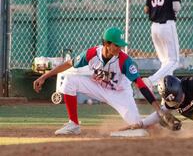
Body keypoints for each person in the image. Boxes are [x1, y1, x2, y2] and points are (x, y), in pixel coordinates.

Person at [33, 27, 171, 135]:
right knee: (70, 80)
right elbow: (69, 64)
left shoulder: (124, 60)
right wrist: (44, 76)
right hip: (97, 87)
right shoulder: (91, 54)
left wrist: (158, 109)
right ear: (106, 43)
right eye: (116, 45)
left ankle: (164, 126)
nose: (120, 48)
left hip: (120, 94)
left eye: (121, 45)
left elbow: (140, 84)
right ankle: (73, 124)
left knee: (139, 126)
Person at [143, 0, 181, 88]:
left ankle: (166, 94)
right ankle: (151, 81)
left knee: (165, 63)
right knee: (174, 61)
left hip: (154, 27)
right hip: (167, 25)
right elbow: (176, 7)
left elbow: (146, 9)